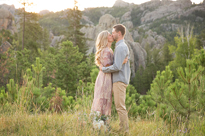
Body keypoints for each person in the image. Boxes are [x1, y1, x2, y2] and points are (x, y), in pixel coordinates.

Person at [91, 30, 128, 128]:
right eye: (109, 35)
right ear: (105, 38)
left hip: (106, 77)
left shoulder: (109, 49)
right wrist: (121, 62)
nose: (111, 35)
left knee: (104, 100)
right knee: (103, 100)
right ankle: (99, 125)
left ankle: (101, 125)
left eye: (111, 34)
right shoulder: (106, 51)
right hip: (105, 78)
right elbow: (109, 67)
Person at [99, 24, 131, 134]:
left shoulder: (121, 47)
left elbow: (117, 67)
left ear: (119, 33)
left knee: (120, 107)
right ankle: (122, 129)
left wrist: (103, 69)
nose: (112, 34)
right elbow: (118, 64)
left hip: (120, 80)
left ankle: (124, 131)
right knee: (119, 106)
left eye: (113, 32)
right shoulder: (118, 46)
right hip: (119, 80)